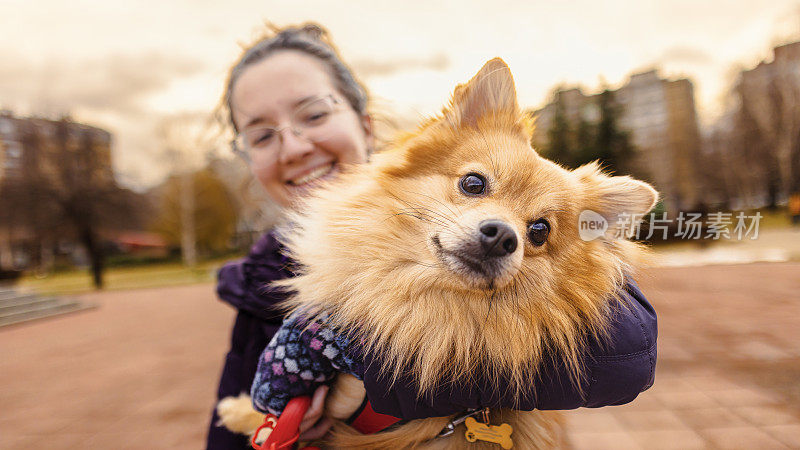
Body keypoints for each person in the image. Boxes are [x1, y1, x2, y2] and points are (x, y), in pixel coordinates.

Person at [207, 23, 657, 450]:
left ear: (364, 122)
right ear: (246, 155)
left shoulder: (570, 268)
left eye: (537, 232)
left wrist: (366, 367)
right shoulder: (254, 287)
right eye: (474, 185)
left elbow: (629, 352)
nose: (294, 146)